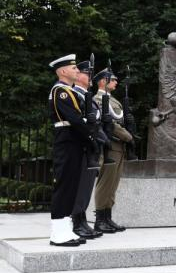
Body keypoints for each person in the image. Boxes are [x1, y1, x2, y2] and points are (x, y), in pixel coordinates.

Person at [47, 54, 90, 247]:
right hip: (66, 140)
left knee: (71, 187)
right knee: (64, 186)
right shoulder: (60, 91)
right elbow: (74, 119)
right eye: (73, 69)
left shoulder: (68, 91)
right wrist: (89, 136)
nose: (77, 71)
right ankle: (57, 233)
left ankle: (66, 230)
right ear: (63, 71)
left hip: (72, 141)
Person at [70, 60, 105, 240]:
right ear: (78, 75)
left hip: (91, 146)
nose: (90, 77)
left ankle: (82, 219)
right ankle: (76, 221)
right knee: (80, 184)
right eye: (87, 73)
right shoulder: (74, 94)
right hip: (81, 145)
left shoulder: (87, 95)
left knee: (87, 184)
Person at [93, 69, 132, 233]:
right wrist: (128, 136)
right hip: (109, 146)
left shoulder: (114, 100)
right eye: (113, 79)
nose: (116, 82)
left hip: (119, 147)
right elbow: (110, 124)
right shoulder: (98, 99)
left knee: (113, 184)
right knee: (105, 183)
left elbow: (120, 120)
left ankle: (107, 217)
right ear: (102, 81)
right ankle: (99, 220)